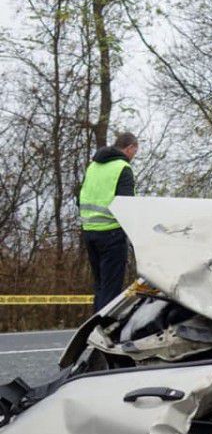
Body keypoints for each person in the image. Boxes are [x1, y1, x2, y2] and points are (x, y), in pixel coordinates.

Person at [79, 132, 138, 312]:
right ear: (129, 148)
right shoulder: (123, 168)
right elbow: (127, 205)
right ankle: (104, 330)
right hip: (111, 233)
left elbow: (80, 197)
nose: (134, 156)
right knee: (111, 290)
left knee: (100, 286)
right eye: (135, 151)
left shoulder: (93, 166)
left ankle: (93, 329)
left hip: (89, 231)